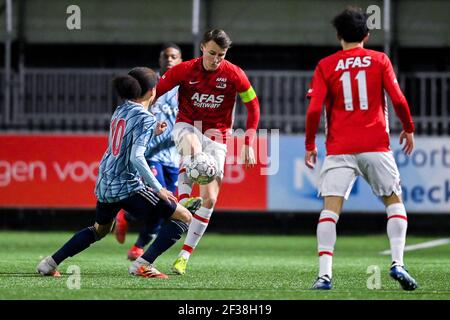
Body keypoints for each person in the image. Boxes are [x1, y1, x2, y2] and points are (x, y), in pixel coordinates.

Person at [36, 67, 192, 279]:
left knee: (99, 230)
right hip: (127, 185)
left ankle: (49, 263)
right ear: (153, 91)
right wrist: (159, 188)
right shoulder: (146, 118)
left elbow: (126, 138)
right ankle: (142, 265)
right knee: (183, 217)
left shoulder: (121, 110)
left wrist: (154, 131)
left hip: (105, 182)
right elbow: (136, 158)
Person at [304, 7, 418, 290]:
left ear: (339, 35)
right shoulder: (379, 60)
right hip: (376, 145)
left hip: (339, 148)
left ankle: (324, 276)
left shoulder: (326, 65)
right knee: (394, 202)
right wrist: (409, 127)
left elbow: (314, 109)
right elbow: (399, 100)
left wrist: (309, 145)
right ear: (366, 34)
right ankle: (397, 263)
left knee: (330, 211)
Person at [154, 29, 260, 275]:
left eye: (221, 55)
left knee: (210, 199)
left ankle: (184, 256)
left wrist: (249, 141)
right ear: (202, 47)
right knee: (193, 150)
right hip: (187, 125)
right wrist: (145, 115)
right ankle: (182, 200)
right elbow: (156, 92)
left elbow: (253, 106)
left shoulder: (235, 74)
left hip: (219, 136)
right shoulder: (183, 70)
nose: (216, 59)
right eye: (212, 53)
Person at [113, 43, 200, 261]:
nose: (170, 60)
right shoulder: (151, 87)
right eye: (166, 56)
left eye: (174, 57)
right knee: (163, 201)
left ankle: (136, 242)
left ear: (180, 61)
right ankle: (129, 219)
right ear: (160, 60)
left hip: (173, 156)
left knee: (166, 206)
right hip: (150, 153)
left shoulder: (185, 89)